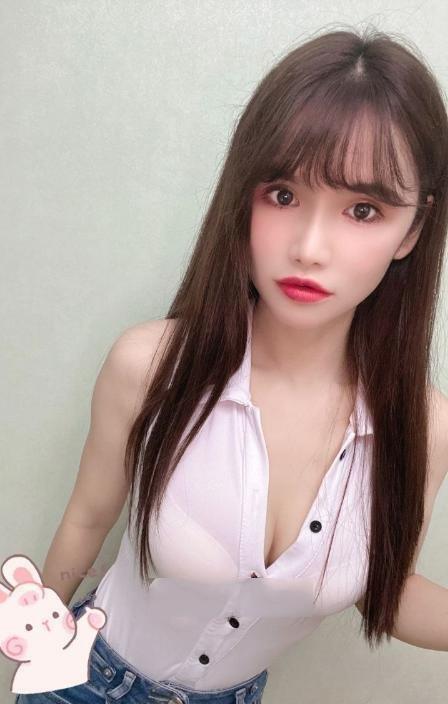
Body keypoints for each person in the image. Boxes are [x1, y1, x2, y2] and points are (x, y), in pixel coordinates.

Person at [16, 24, 448, 704]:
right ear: (243, 194)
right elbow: (87, 520)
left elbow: (386, 595)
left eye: (363, 210)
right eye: (283, 195)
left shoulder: (421, 426)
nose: (309, 247)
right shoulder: (151, 367)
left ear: (413, 231)